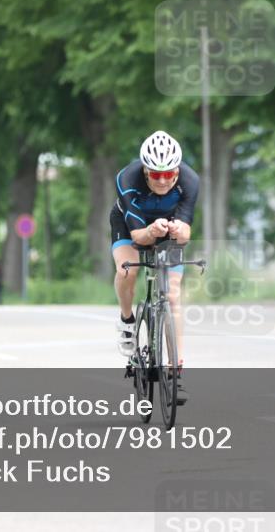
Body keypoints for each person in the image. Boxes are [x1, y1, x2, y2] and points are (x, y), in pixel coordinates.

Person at [111, 131, 198, 404]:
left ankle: (175, 371)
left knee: (172, 295)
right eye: (155, 175)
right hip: (130, 225)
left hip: (168, 227)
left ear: (177, 171)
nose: (163, 180)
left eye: (168, 174)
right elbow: (138, 237)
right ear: (145, 171)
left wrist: (177, 230)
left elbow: (185, 234)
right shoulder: (126, 179)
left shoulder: (190, 181)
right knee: (128, 270)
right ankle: (127, 320)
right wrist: (150, 230)